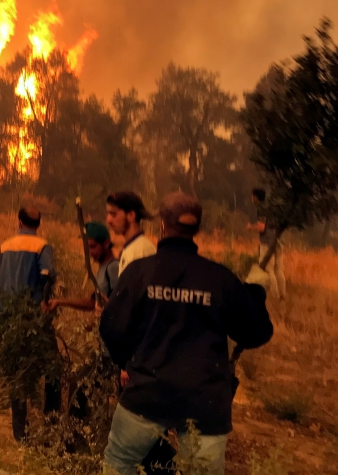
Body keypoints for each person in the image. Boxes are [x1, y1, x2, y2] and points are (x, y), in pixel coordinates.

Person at [99, 192, 274, 475]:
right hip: (204, 403)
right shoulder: (220, 279)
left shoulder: (140, 272)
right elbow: (256, 333)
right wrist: (254, 293)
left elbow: (111, 328)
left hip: (146, 394)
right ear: (198, 230)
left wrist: (128, 364)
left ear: (162, 225)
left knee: (119, 464)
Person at [0, 205, 59, 442]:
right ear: (38, 224)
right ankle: (52, 425)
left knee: (18, 372)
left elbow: (1, 281)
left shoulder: (5, 246)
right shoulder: (42, 246)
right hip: (35, 317)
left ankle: (20, 432)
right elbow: (47, 275)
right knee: (53, 369)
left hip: (9, 317)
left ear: (19, 222)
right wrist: (45, 301)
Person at [47, 222, 118, 313]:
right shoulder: (103, 269)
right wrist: (59, 302)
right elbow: (91, 303)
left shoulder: (113, 267)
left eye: (93, 247)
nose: (90, 252)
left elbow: (121, 303)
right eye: (88, 248)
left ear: (106, 243)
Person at [247, 187, 286, 299]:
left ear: (255, 197)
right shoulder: (272, 208)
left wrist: (250, 227)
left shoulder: (261, 209)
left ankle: (275, 297)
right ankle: (283, 295)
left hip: (267, 243)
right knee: (279, 270)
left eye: (252, 196)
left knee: (269, 271)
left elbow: (261, 227)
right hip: (278, 241)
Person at [106, 191, 156, 275]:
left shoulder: (141, 251)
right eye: (108, 214)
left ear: (131, 215)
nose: (108, 220)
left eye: (113, 214)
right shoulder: (132, 248)